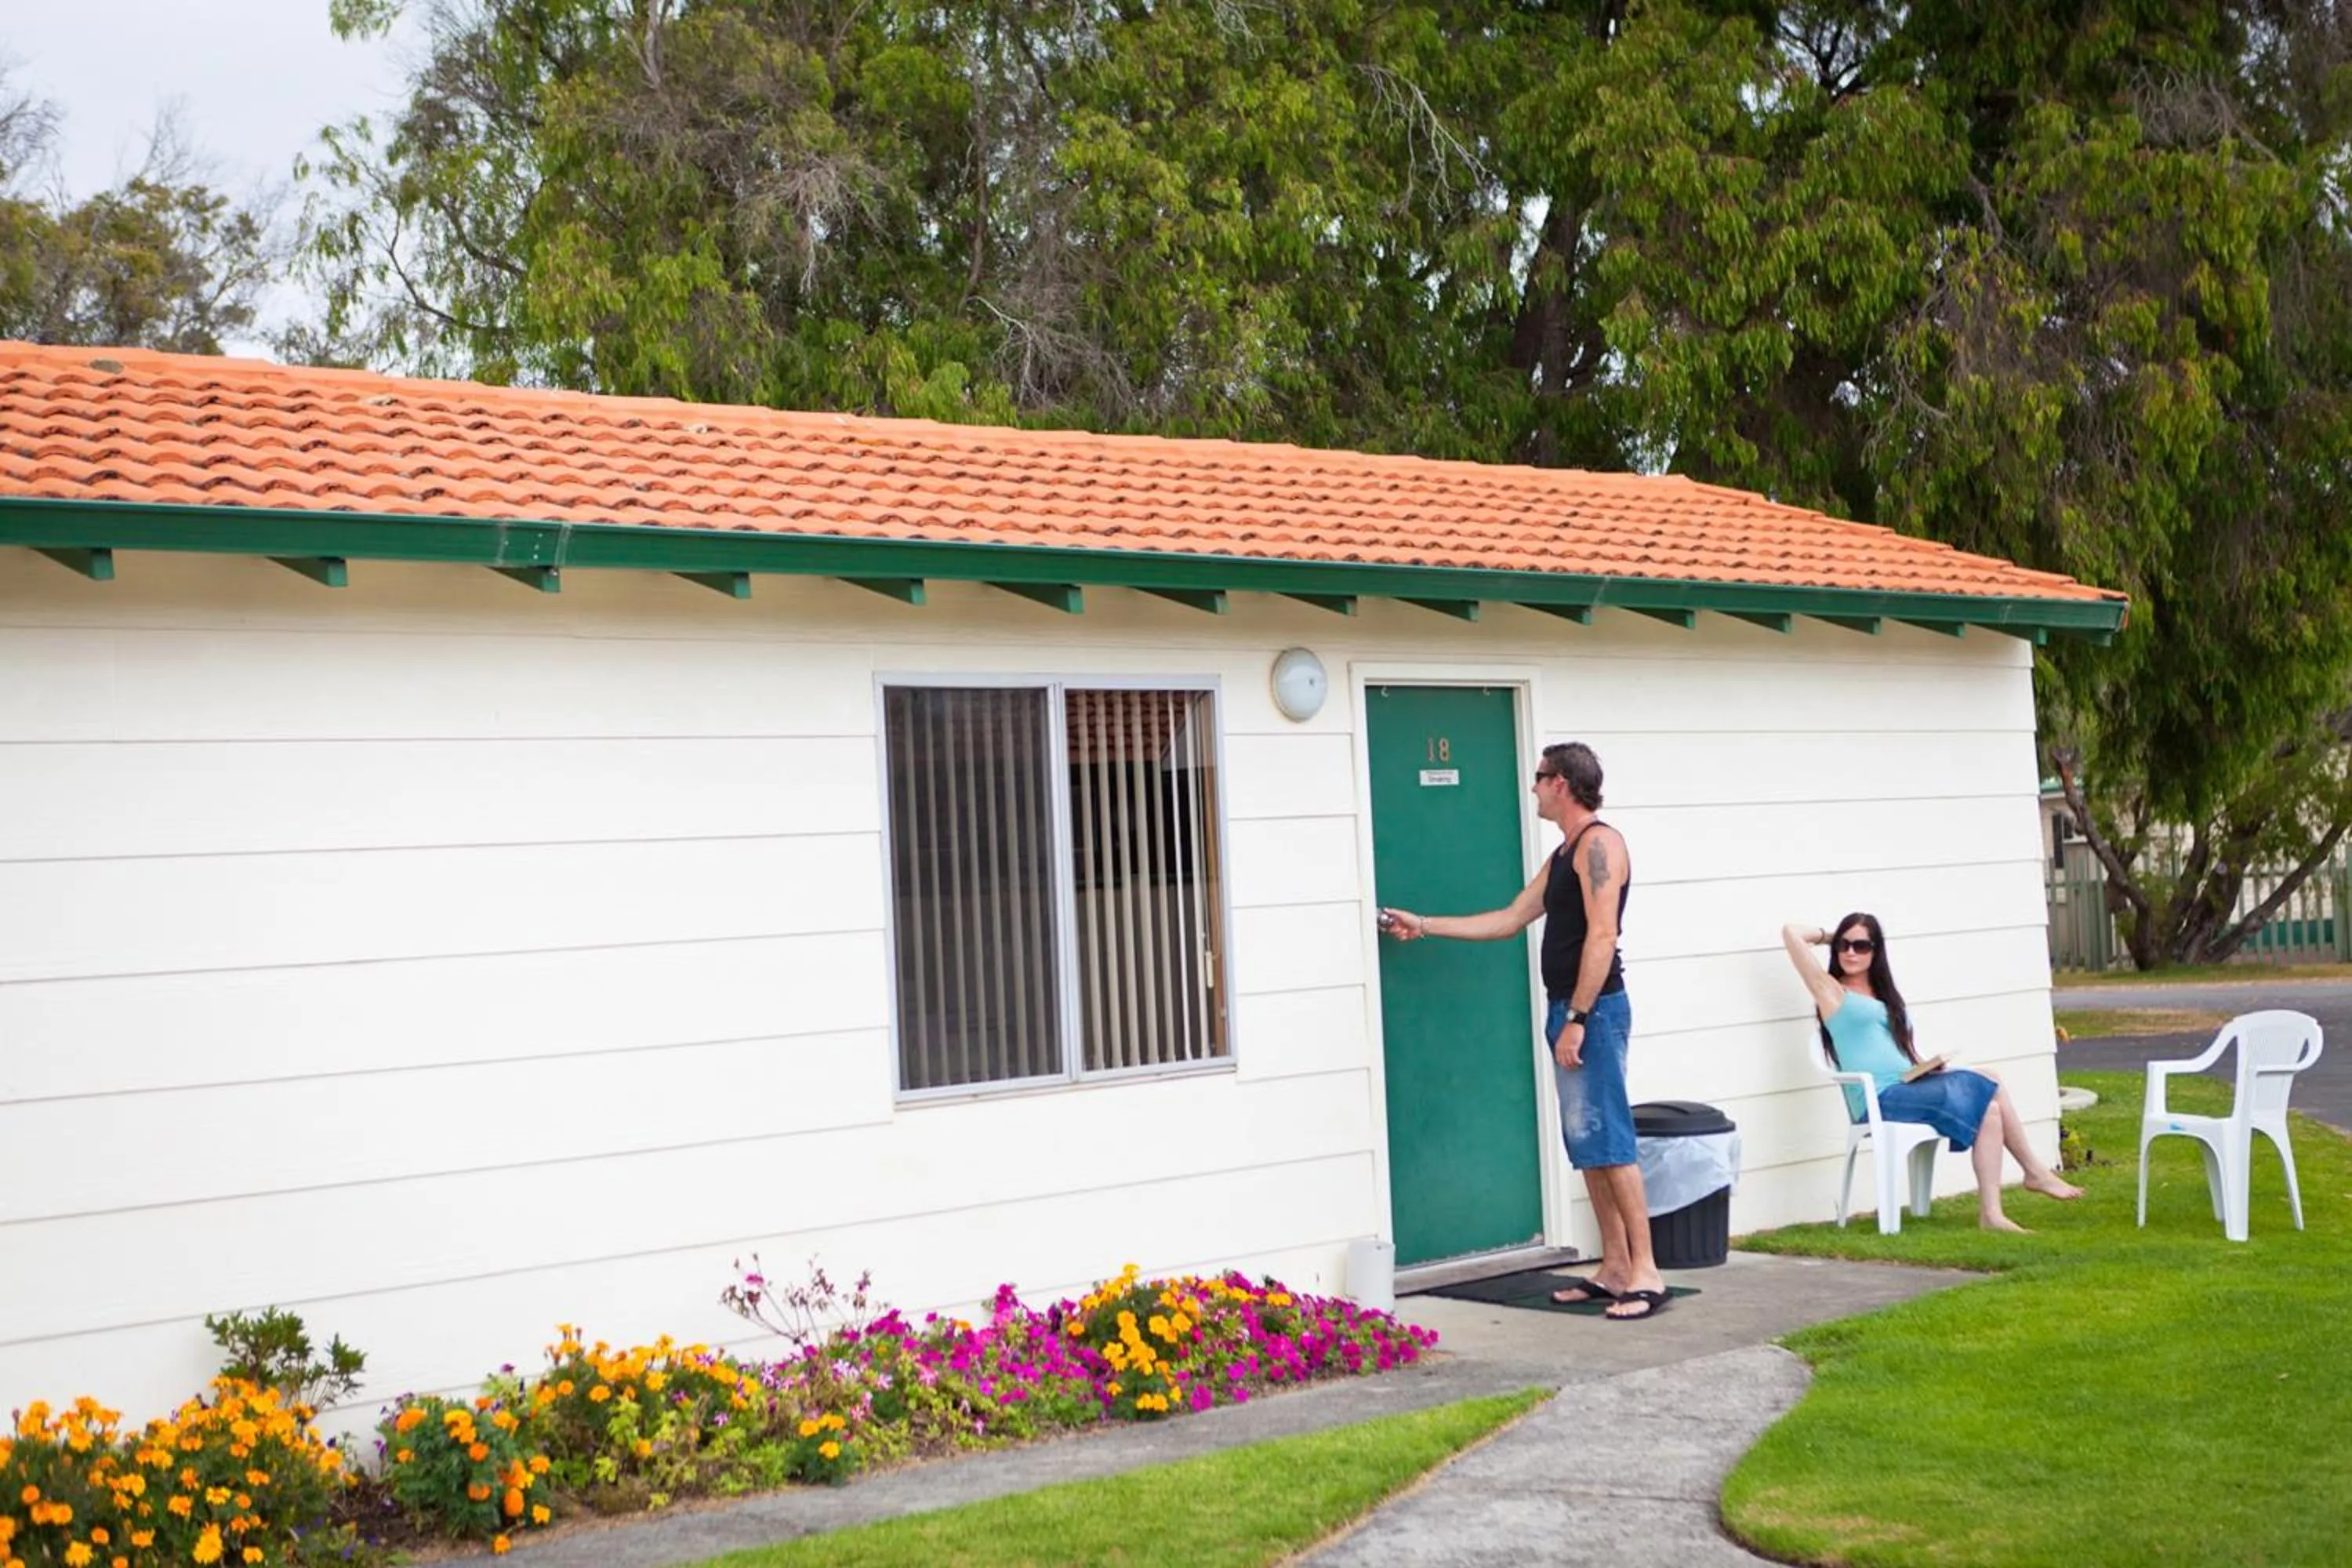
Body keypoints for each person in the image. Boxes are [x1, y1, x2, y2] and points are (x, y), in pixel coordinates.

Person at [1380, 742, 1668, 1320]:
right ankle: (1614, 1267)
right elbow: (1510, 919)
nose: (1533, 787)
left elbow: (1603, 936)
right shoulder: (1564, 854)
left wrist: (1579, 1019)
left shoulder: (1600, 845)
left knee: (1611, 1139)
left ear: (1562, 782)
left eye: (1539, 777)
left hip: (1594, 1013)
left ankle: (1646, 1272)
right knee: (1588, 1144)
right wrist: (1424, 925)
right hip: (1568, 1010)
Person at [1782, 913, 2082, 1232]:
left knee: (1991, 1108)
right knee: (1990, 1082)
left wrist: (1926, 1067)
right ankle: (2034, 1172)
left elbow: (1892, 1051)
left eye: (1861, 946)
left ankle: (1992, 1214)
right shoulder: (1831, 991)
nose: (1850, 952)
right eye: (1844, 945)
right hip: (1880, 1099)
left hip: (1908, 1085)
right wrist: (1833, 936)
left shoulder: (1884, 995)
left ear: (1876, 951)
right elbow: (1791, 933)